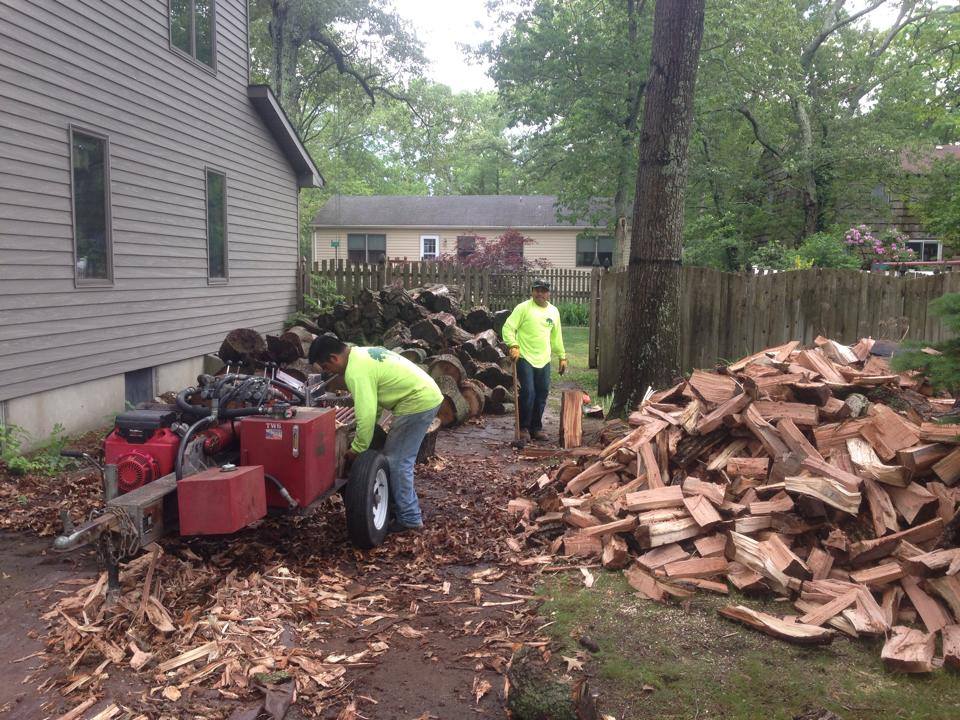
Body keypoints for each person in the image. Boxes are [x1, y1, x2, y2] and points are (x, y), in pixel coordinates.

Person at [308, 336, 443, 532]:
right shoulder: (361, 354)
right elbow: (375, 401)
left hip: (418, 401)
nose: (329, 373)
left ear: (334, 358)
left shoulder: (355, 372)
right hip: (425, 394)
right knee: (395, 457)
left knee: (397, 461)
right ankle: (399, 507)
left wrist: (357, 448)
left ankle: (410, 518)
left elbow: (367, 413)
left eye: (326, 367)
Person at [502, 279, 567, 442]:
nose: (539, 293)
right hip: (524, 356)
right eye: (536, 290)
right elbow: (508, 327)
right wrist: (513, 345)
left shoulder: (553, 312)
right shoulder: (523, 308)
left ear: (548, 293)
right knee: (528, 392)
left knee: (542, 393)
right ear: (532, 291)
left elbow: (556, 337)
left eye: (543, 290)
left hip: (544, 358)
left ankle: (536, 427)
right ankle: (523, 428)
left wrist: (562, 356)